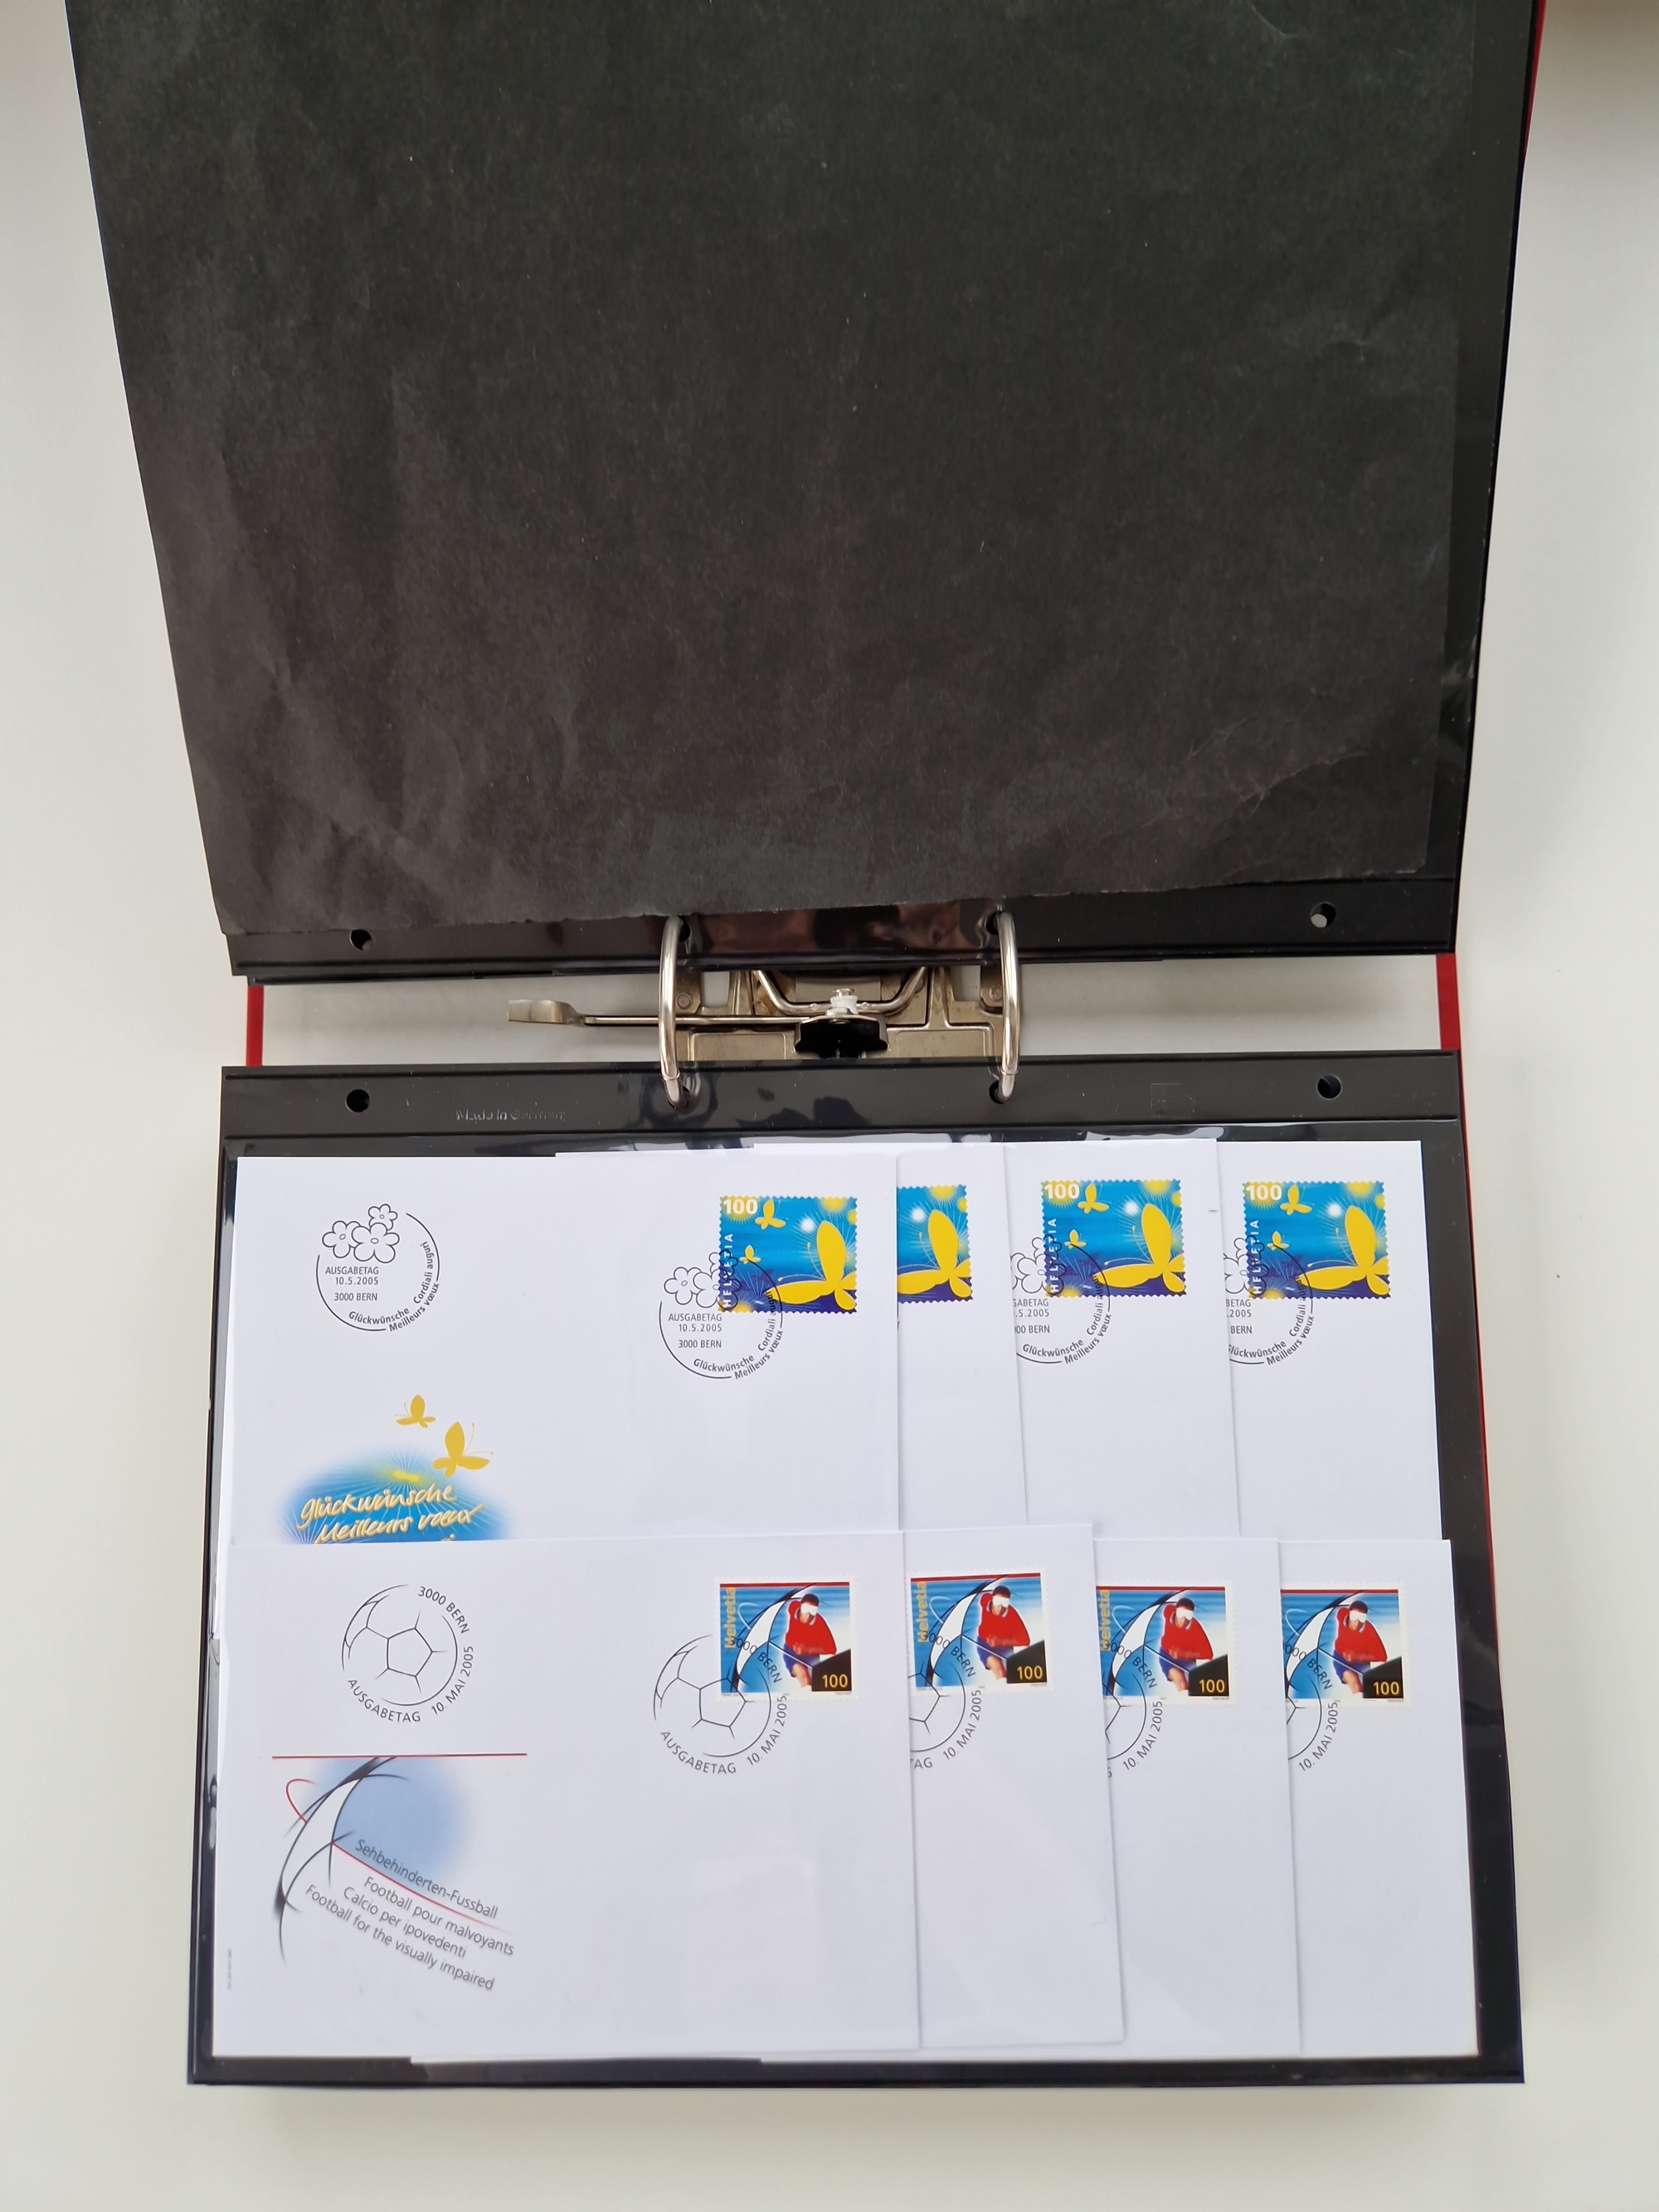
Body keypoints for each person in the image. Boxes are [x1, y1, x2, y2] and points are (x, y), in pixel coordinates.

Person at [1155, 1593, 1213, 1694]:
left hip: (1187, 1659)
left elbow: (1208, 1654)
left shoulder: (1195, 1627)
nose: (1184, 1619)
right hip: (1167, 1655)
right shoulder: (1168, 1611)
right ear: (1176, 1611)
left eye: (1188, 1615)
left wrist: (1184, 1654)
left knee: (1194, 1687)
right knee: (1182, 1683)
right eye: (1181, 1613)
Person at [975, 1583, 1031, 1681]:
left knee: (1011, 1677)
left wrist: (1001, 1642)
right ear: (992, 1599)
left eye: (1004, 1603)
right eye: (997, 1601)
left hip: (1005, 1648)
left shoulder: (1012, 1615)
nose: (1000, 1608)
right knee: (1000, 1672)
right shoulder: (985, 1599)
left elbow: (1026, 1641)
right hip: (984, 1643)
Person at [1331, 1596, 1388, 1694]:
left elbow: (1382, 1657)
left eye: (1361, 1618)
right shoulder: (1341, 1614)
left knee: (1365, 1691)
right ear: (1349, 1614)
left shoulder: (1369, 1631)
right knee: (1356, 1686)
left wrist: (1358, 1656)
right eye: (1354, 1616)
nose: (1357, 1622)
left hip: (1361, 1663)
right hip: (1340, 1657)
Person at [782, 1592, 838, 1686]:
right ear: (801, 1607)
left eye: (812, 1610)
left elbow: (832, 1649)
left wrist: (808, 1650)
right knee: (804, 1676)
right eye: (805, 1609)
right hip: (791, 1650)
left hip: (811, 1655)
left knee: (814, 1683)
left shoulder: (820, 1624)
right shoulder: (793, 1607)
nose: (808, 1615)